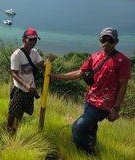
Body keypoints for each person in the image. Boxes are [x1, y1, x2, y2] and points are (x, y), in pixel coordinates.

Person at [50, 27, 131, 155]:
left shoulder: (123, 61)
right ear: (100, 40)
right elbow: (79, 73)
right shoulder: (94, 57)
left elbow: (123, 87)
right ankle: (93, 149)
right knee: (90, 128)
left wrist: (116, 109)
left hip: (104, 104)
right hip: (89, 100)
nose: (107, 43)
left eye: (110, 40)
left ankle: (87, 154)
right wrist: (56, 76)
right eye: (104, 39)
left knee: (78, 127)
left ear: (116, 41)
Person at [7, 27, 45, 135]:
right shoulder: (16, 55)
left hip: (30, 89)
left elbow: (41, 64)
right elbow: (13, 73)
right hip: (19, 88)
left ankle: (16, 129)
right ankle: (9, 129)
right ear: (24, 39)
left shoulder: (34, 52)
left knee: (22, 111)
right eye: (31, 39)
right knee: (13, 111)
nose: (33, 42)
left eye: (35, 40)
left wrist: (48, 61)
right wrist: (25, 85)